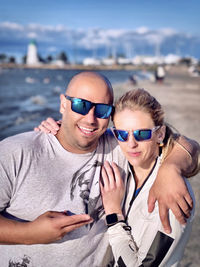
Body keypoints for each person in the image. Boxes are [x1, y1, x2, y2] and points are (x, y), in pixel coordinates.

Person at [0, 72, 199, 267]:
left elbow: (184, 144)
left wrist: (171, 168)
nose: (90, 118)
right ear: (63, 104)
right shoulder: (15, 153)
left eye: (102, 110)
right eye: (81, 105)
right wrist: (28, 234)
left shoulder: (119, 145)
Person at [100, 88, 196, 266]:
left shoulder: (173, 196)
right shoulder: (124, 162)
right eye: (122, 134)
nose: (131, 144)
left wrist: (114, 215)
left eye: (141, 134)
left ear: (159, 134)